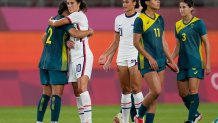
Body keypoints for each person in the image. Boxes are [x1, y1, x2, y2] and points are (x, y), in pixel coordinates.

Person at [36, 1, 93, 123]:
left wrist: (63, 42)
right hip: (57, 62)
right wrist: (89, 31)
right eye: (68, 4)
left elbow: (43, 38)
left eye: (72, 3)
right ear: (66, 10)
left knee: (45, 93)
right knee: (57, 94)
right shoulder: (64, 22)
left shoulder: (55, 20)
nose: (70, 7)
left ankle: (39, 121)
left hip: (44, 61)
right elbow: (75, 33)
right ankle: (54, 122)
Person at [133, 0, 179, 123]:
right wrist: (149, 57)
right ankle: (139, 115)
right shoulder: (140, 20)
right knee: (156, 91)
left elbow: (164, 42)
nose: (158, 1)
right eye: (155, 0)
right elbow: (136, 43)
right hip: (147, 61)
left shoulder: (160, 19)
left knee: (154, 95)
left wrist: (171, 61)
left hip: (161, 61)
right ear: (147, 2)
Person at [98, 0, 144, 123]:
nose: (124, 4)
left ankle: (140, 118)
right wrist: (106, 55)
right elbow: (116, 41)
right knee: (125, 90)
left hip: (135, 54)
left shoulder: (140, 18)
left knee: (136, 88)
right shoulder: (118, 19)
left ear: (134, 3)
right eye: (123, 2)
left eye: (127, 1)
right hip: (122, 56)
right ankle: (124, 120)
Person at [172, 0, 211, 122]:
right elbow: (177, 46)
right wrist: (170, 59)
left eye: (184, 7)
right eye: (180, 7)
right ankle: (196, 115)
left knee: (193, 91)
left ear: (191, 8)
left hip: (195, 62)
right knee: (183, 93)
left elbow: (206, 43)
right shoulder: (177, 25)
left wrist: (208, 62)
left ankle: (190, 120)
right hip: (182, 64)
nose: (181, 9)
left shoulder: (198, 23)